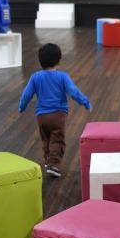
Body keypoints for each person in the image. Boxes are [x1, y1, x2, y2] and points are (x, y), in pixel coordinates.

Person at [18, 43, 92, 177]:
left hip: (41, 116)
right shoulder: (62, 76)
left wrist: (22, 106)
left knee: (46, 139)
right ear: (59, 60)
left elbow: (26, 94)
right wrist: (85, 102)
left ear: (40, 61)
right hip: (58, 115)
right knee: (57, 139)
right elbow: (73, 92)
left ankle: (48, 160)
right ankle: (53, 164)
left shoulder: (35, 77)